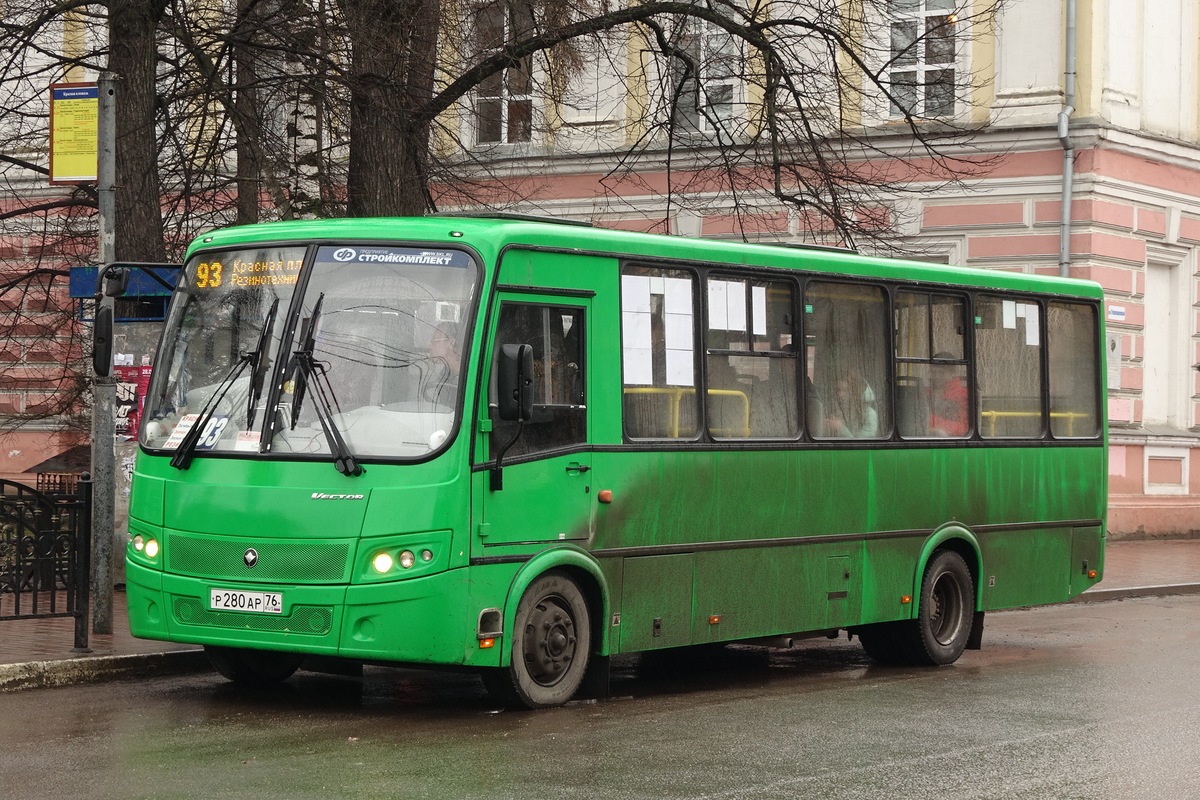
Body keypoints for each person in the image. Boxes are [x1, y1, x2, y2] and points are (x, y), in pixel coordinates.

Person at [822, 369, 879, 438]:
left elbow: (859, 446)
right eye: (838, 390)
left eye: (845, 390)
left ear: (855, 392)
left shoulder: (870, 414)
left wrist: (840, 428)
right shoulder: (839, 410)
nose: (840, 394)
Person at [929, 353, 968, 437]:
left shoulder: (962, 394)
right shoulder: (926, 392)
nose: (936, 376)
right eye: (933, 372)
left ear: (952, 374)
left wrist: (933, 421)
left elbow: (964, 428)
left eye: (941, 373)